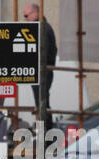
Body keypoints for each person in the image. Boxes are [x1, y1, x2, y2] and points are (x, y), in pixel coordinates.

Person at [23, 2, 57, 131]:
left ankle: (45, 134)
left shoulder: (41, 28)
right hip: (41, 71)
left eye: (27, 15)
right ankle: (45, 133)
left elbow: (44, 52)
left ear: (36, 13)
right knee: (42, 103)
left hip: (41, 72)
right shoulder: (43, 27)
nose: (25, 19)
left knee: (42, 103)